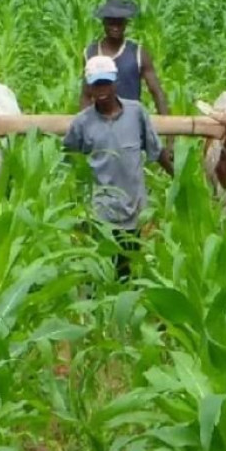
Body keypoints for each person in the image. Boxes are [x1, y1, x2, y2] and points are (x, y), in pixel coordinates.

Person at [64, 54, 174, 281]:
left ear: (115, 82)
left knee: (131, 274)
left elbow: (156, 150)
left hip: (135, 210)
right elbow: (69, 161)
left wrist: (179, 178)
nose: (101, 90)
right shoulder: (82, 123)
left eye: (105, 83)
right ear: (89, 88)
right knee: (101, 277)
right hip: (101, 214)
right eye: (96, 85)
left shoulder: (136, 113)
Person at [80, 0, 173, 166]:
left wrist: (170, 137)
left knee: (166, 163)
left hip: (131, 123)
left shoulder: (137, 53)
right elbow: (86, 95)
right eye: (111, 22)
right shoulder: (91, 53)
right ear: (104, 23)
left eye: (120, 23)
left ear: (125, 24)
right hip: (101, 123)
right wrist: (85, 129)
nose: (115, 27)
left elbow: (157, 93)